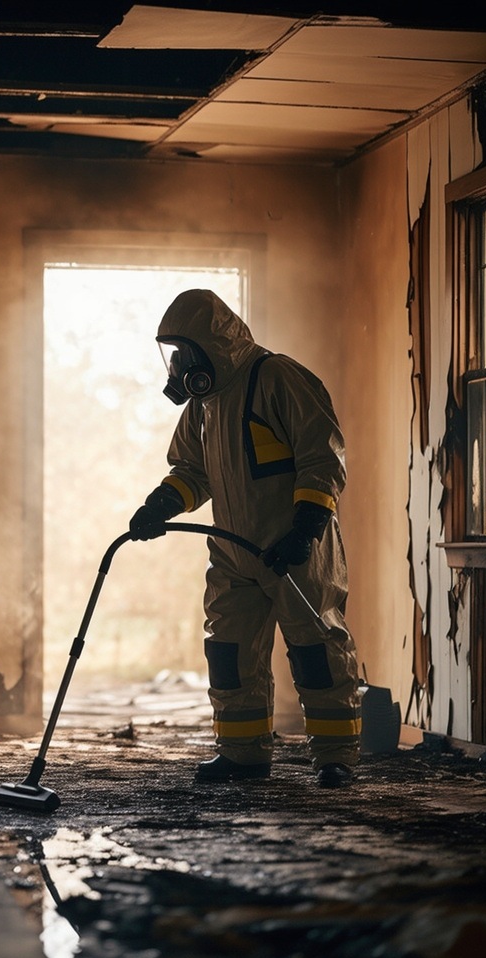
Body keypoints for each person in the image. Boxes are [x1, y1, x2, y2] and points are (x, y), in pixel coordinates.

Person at [129, 290, 360, 788]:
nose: (179, 363)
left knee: (317, 650)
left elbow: (323, 457)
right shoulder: (203, 405)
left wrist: (305, 530)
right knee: (231, 654)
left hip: (297, 550)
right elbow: (192, 471)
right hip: (233, 555)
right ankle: (242, 754)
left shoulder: (276, 378)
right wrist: (161, 505)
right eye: (174, 353)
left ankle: (335, 757)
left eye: (185, 350)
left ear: (212, 344)